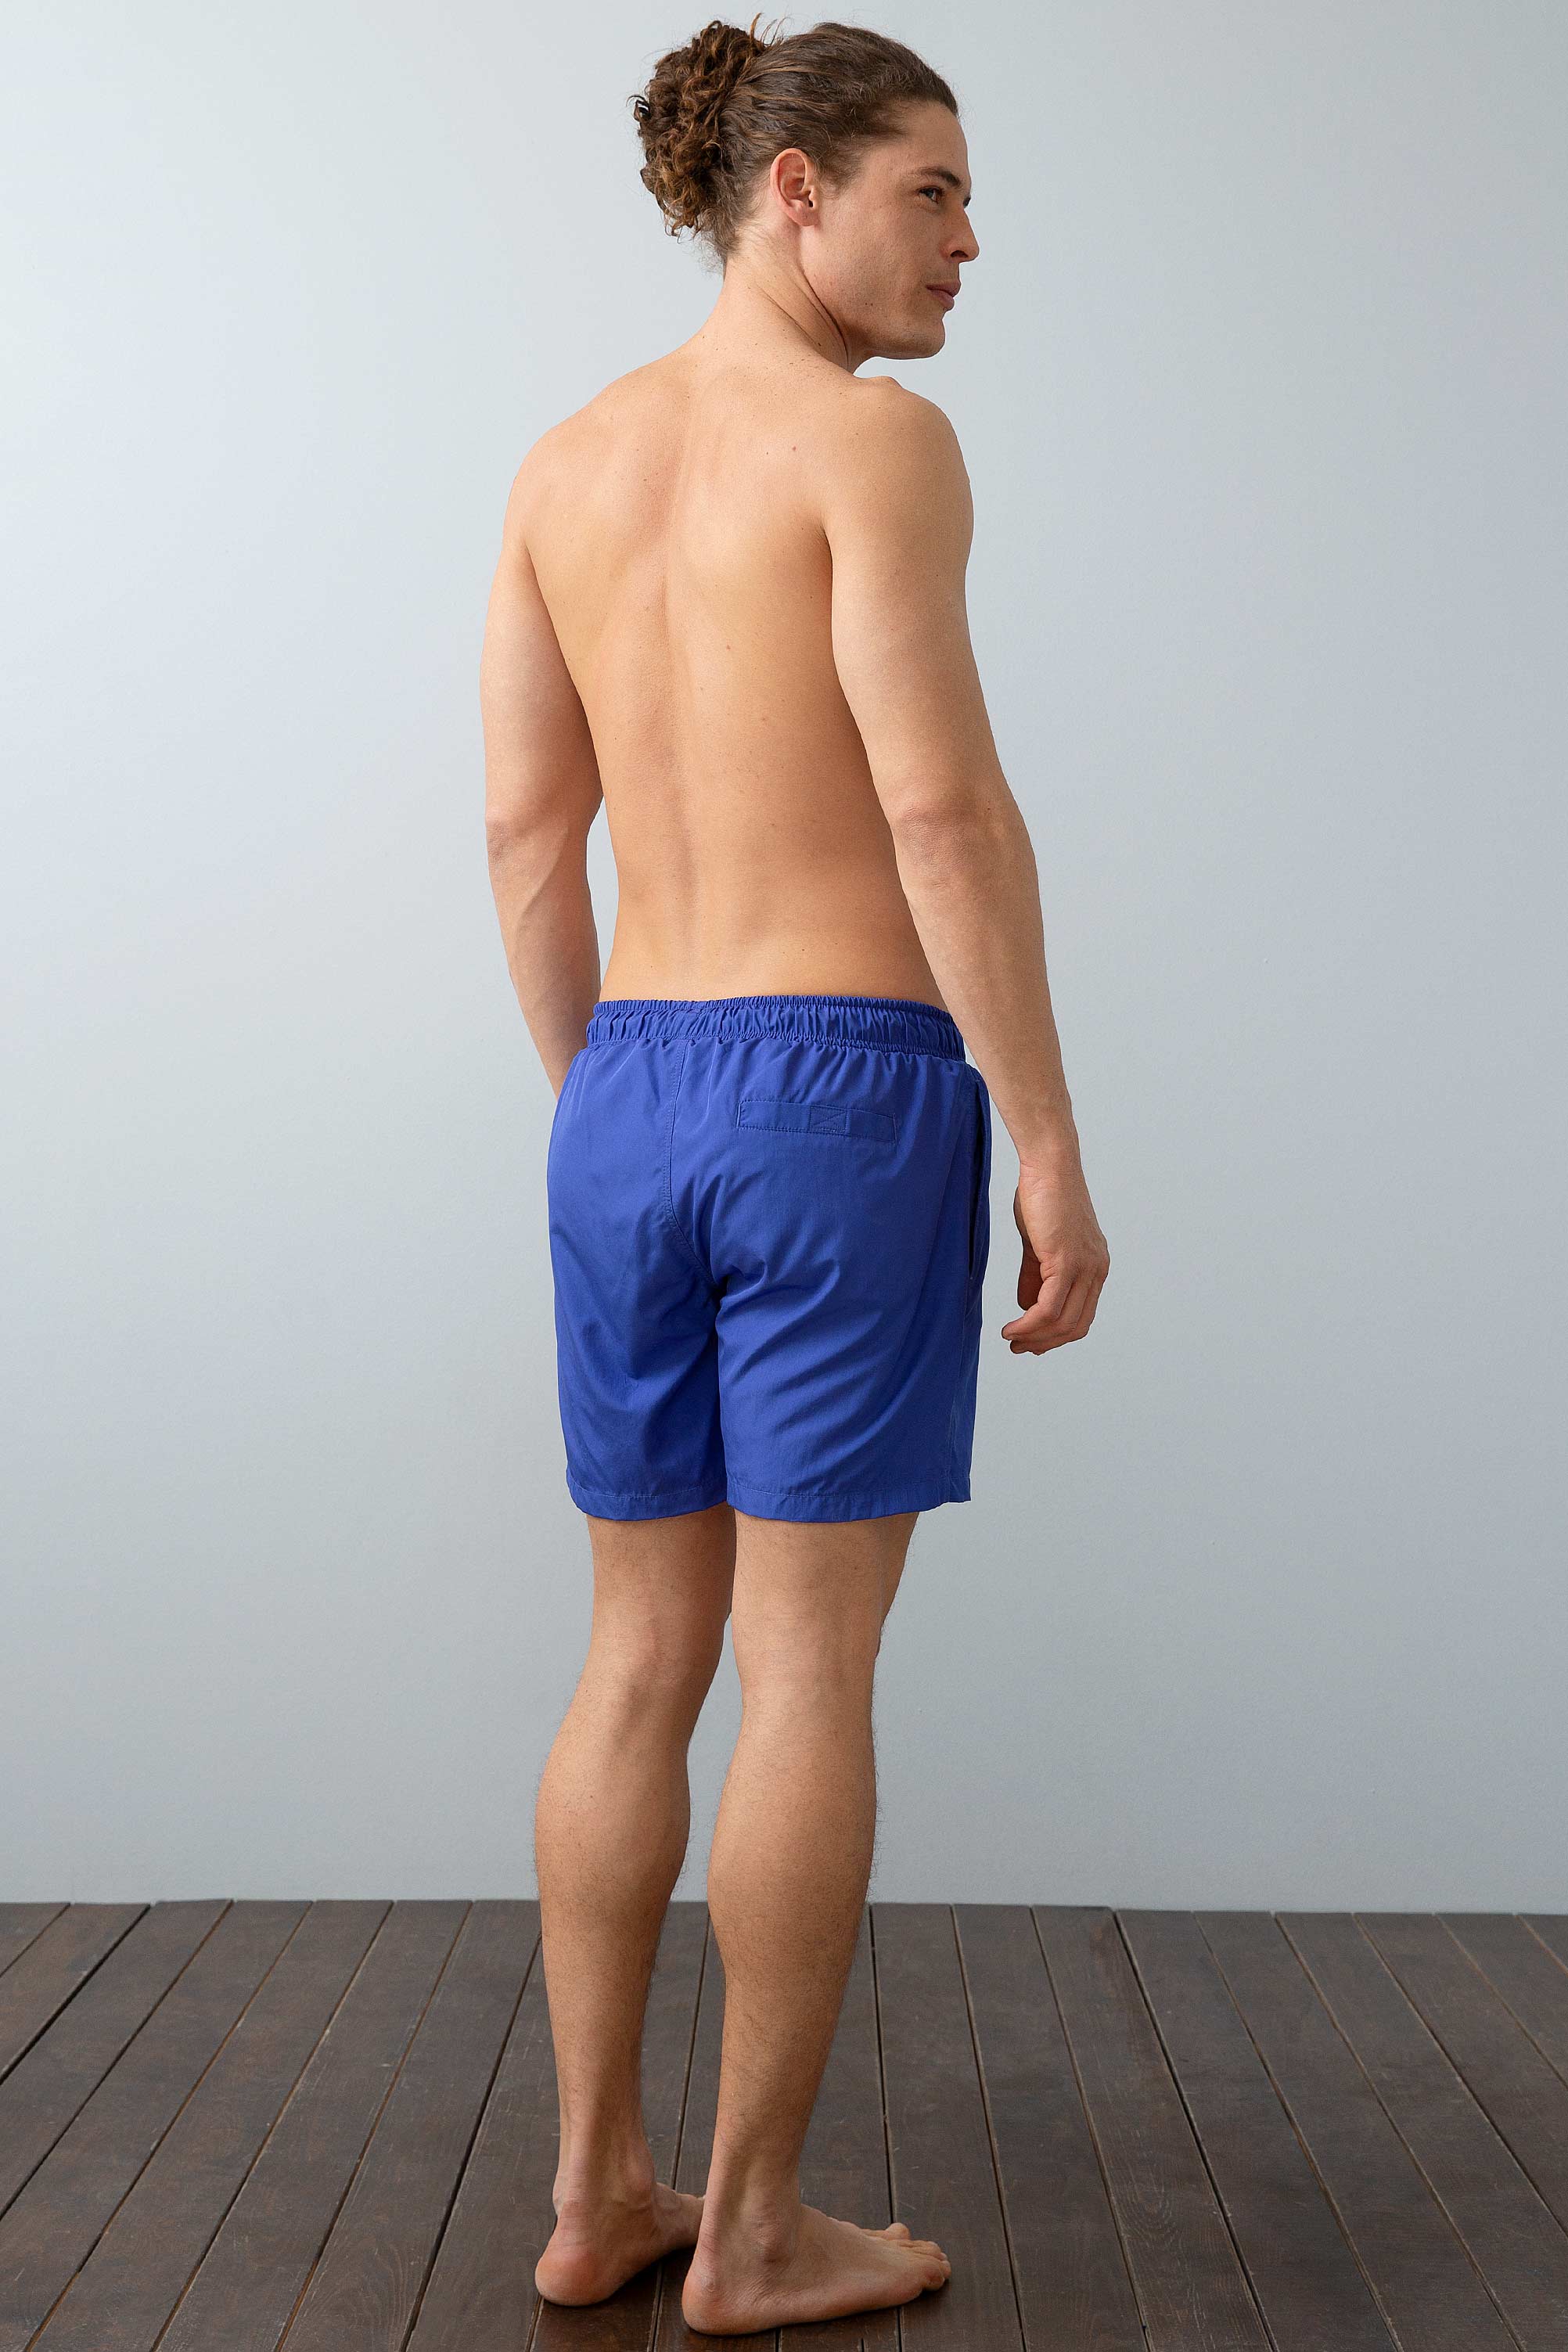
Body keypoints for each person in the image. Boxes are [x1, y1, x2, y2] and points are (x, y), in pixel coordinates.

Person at [480, 13, 1109, 2334]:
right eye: (932, 190)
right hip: (842, 1084)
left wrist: (602, 1103)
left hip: (629, 1084)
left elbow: (525, 830)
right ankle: (746, 2231)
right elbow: (939, 804)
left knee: (636, 1652)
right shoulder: (873, 444)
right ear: (795, 193)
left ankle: (595, 2197)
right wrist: (1044, 1131)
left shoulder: (564, 464)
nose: (968, 241)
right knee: (807, 1668)